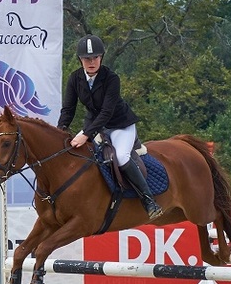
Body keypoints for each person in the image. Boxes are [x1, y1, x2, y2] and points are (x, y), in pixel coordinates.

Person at [57, 34, 164, 220]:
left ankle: (149, 202)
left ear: (101, 58)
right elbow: (68, 109)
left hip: (120, 125)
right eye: (86, 58)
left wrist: (85, 134)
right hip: (96, 126)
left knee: (121, 157)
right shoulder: (75, 79)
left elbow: (106, 113)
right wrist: (61, 130)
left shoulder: (111, 78)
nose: (91, 62)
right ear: (80, 60)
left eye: (95, 57)